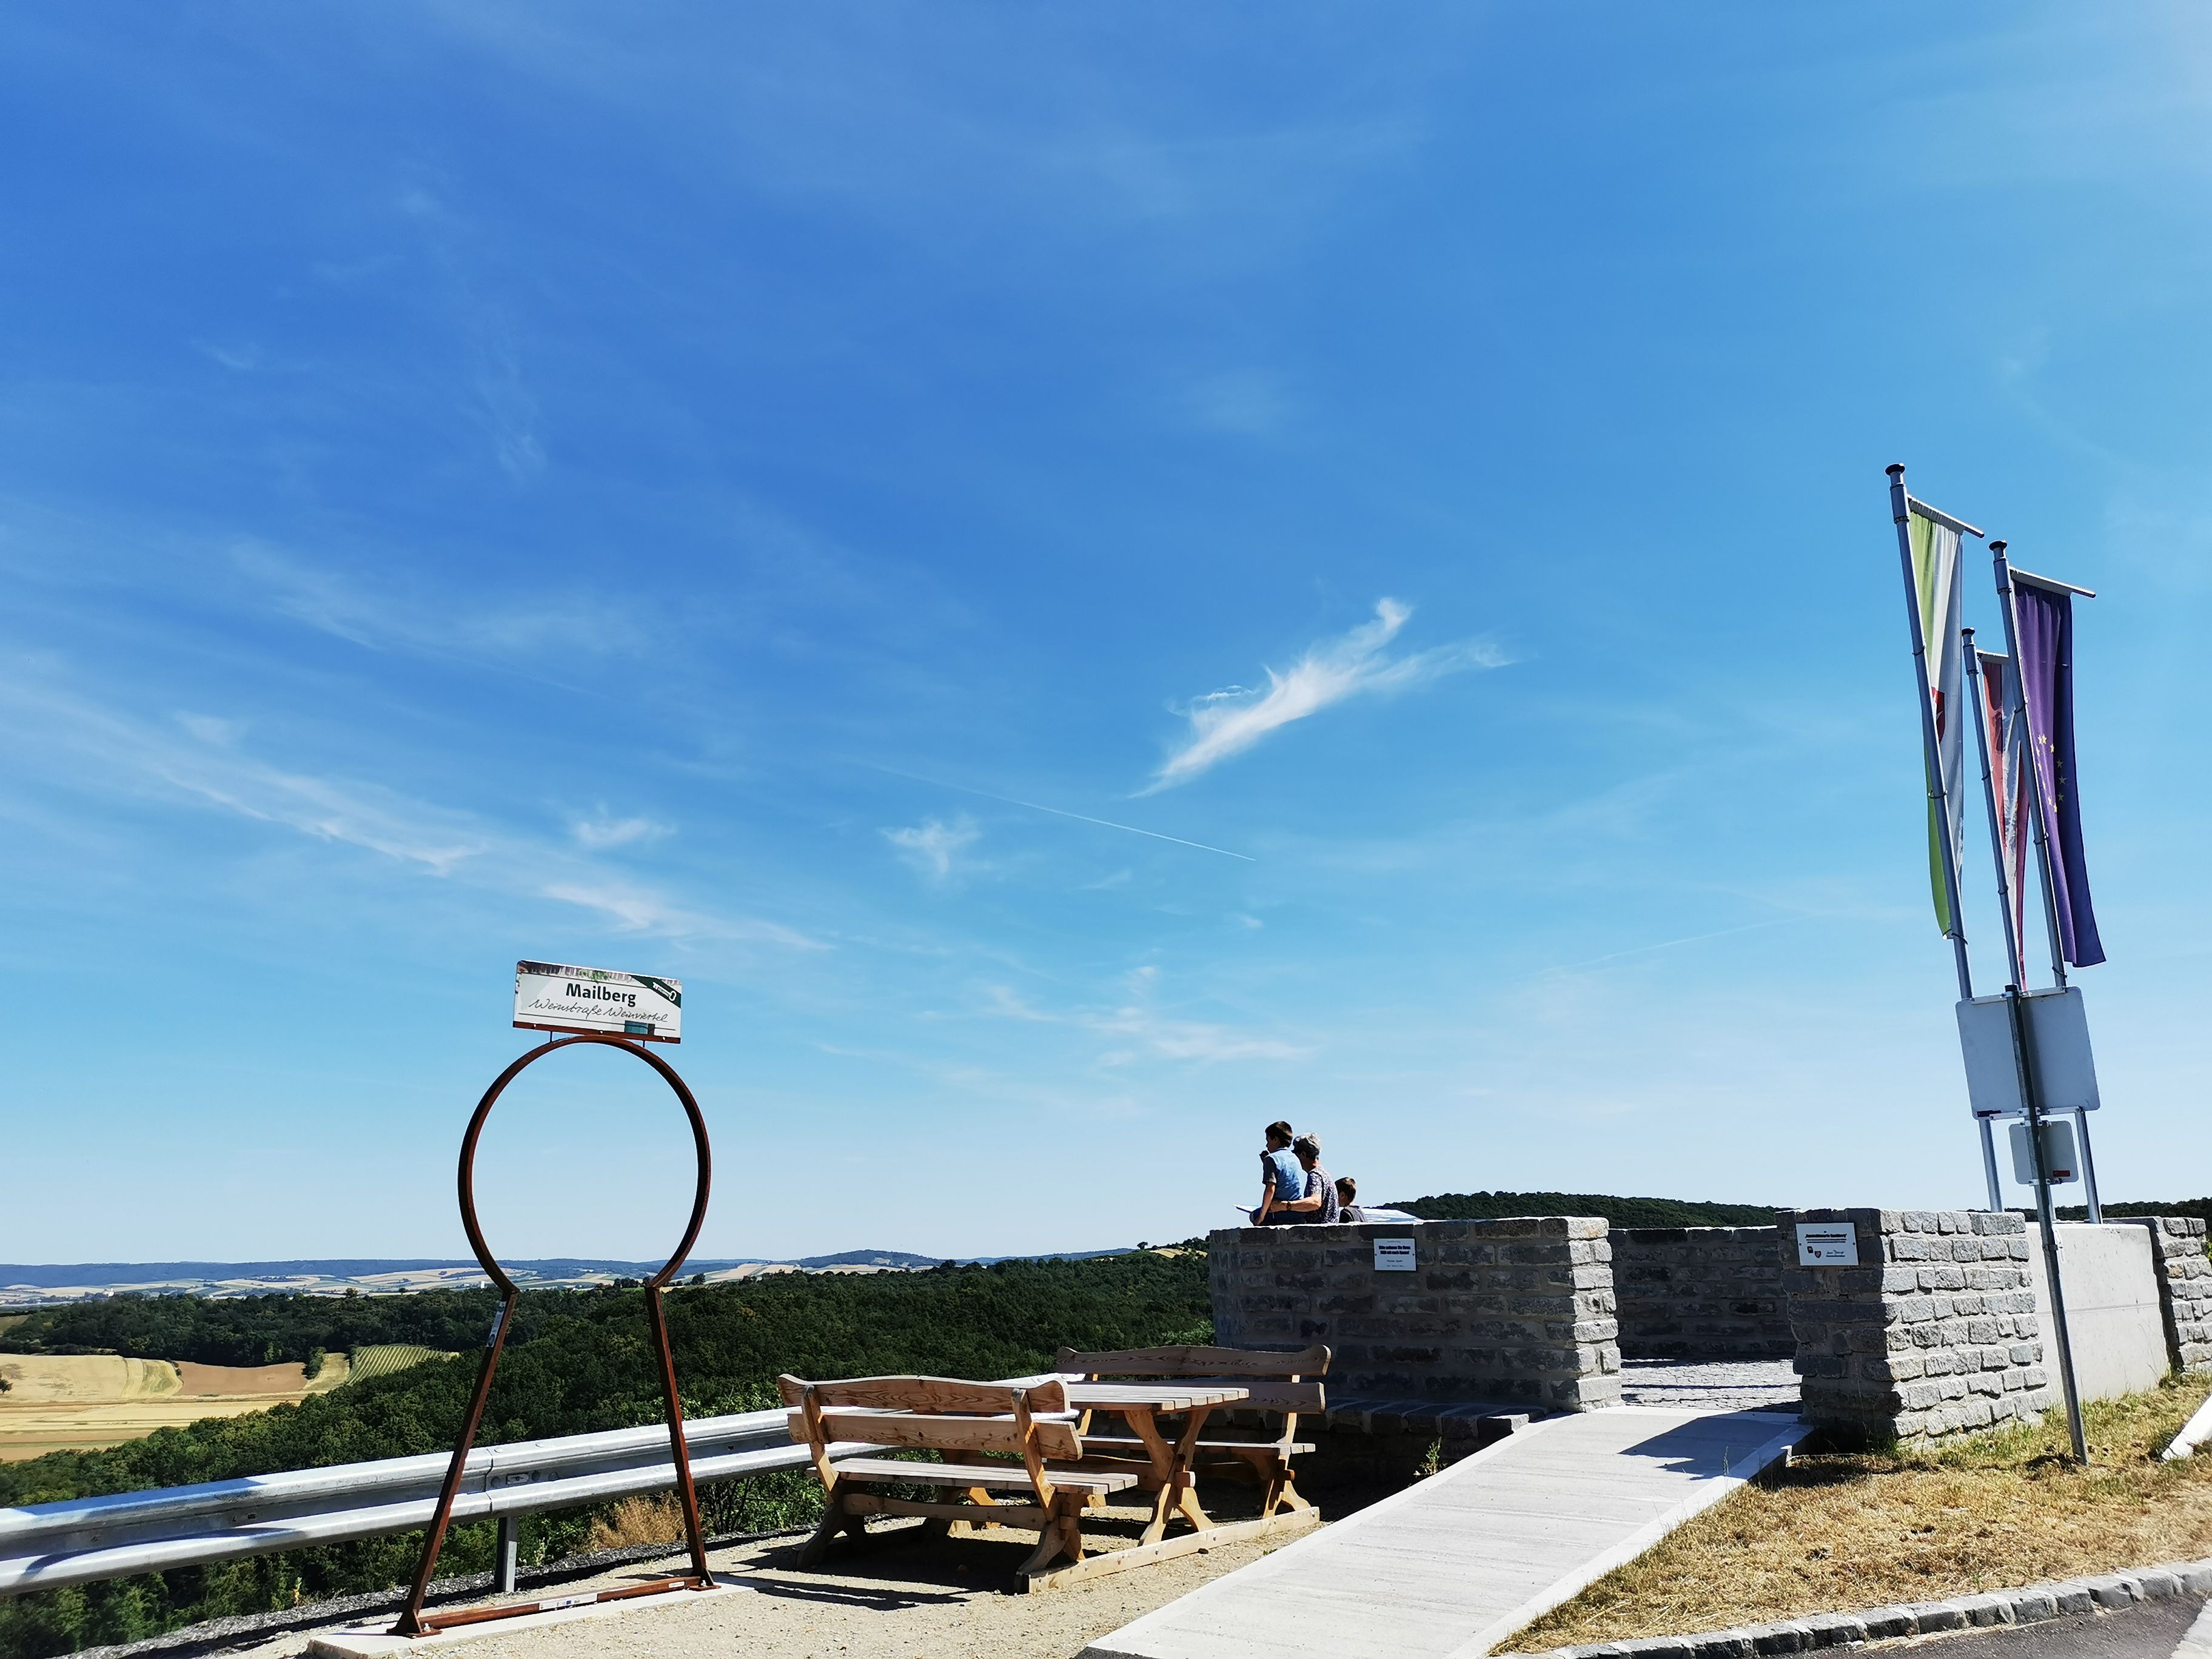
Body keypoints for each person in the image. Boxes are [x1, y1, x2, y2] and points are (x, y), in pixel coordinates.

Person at [1270, 1134, 1338, 1225]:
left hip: (1320, 1235)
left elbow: (1315, 1202)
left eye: (1296, 1153)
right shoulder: (1324, 1174)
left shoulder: (1315, 1175)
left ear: (1303, 1154)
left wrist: (1285, 1206)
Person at [1250, 1120, 1305, 1225]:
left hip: (1279, 1211)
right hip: (1297, 1211)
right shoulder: (1295, 1158)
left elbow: (1271, 1188)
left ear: (1276, 1140)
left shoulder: (1271, 1159)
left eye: (1268, 1140)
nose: (1267, 1145)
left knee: (1253, 1216)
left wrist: (1261, 1216)